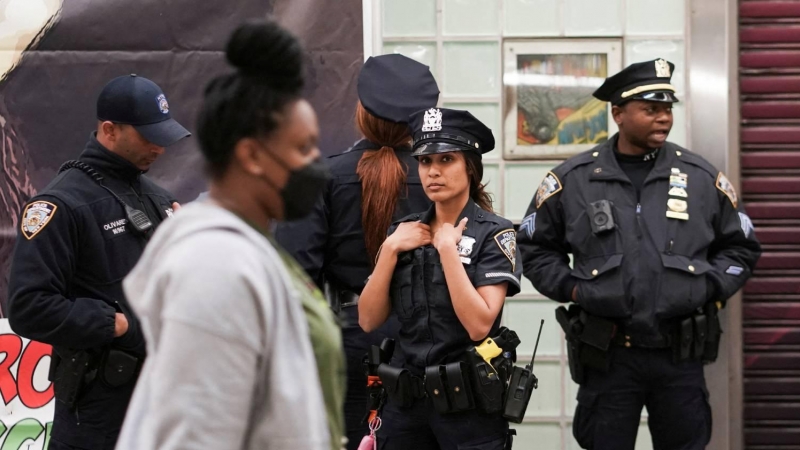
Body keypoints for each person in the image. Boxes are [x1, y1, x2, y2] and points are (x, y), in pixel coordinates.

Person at [114, 20, 345, 450]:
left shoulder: (249, 249)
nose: (317, 163)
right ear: (252, 155)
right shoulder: (214, 266)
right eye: (303, 148)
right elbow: (197, 438)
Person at [517, 59, 761, 450]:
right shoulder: (573, 180)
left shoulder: (700, 177)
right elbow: (534, 247)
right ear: (618, 113)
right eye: (651, 109)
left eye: (667, 109)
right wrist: (573, 289)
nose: (663, 118)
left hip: (679, 356)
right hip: (609, 357)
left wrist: (709, 286)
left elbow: (741, 247)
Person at [5, 73, 189, 449]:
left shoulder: (155, 196)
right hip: (98, 409)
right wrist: (114, 324)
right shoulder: (60, 204)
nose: (160, 148)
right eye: (148, 136)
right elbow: (28, 307)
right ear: (110, 130)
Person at [274, 53, 439, 449]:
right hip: (436, 343)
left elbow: (295, 281)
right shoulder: (446, 176)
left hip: (352, 346)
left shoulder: (319, 178)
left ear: (362, 110)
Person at [358, 108, 521, 450]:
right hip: (406, 405)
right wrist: (389, 248)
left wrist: (448, 251)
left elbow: (479, 325)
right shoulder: (403, 233)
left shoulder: (495, 233)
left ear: (470, 168)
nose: (433, 171)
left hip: (467, 409)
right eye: (425, 160)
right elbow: (369, 319)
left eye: (447, 159)